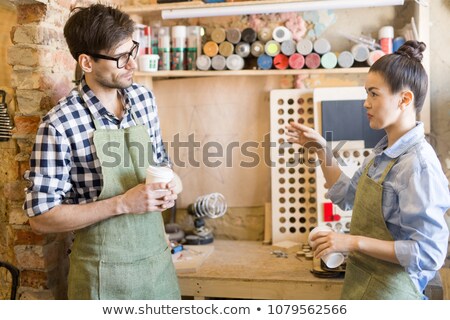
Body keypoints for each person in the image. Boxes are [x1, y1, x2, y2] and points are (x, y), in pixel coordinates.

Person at [23, 4, 181, 300]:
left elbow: (161, 163)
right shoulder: (60, 124)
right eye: (121, 58)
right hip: (101, 278)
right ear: (86, 63)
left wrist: (173, 184)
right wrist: (122, 203)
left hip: (157, 267)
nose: (132, 63)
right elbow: (41, 217)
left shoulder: (144, 99)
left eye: (132, 51)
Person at [287, 40, 450, 300]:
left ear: (404, 99)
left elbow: (430, 253)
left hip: (393, 297)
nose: (365, 103)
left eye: (374, 94)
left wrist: (350, 242)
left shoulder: (418, 165)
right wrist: (320, 150)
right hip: (363, 288)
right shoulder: (381, 153)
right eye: (367, 94)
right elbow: (347, 196)